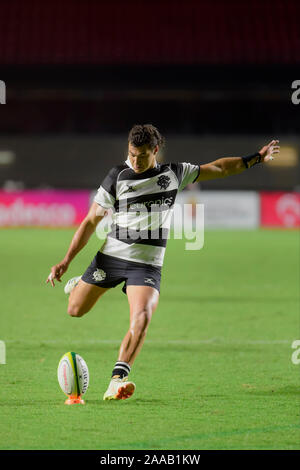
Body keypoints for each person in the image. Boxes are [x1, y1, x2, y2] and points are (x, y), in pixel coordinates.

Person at [46, 124, 280, 401]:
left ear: (155, 150)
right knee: (75, 309)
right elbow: (90, 221)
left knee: (142, 316)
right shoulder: (116, 177)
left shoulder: (173, 173)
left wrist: (256, 158)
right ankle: (79, 286)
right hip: (110, 258)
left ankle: (117, 380)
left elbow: (219, 168)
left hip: (146, 266)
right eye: (132, 155)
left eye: (142, 156)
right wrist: (66, 260)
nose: (135, 161)